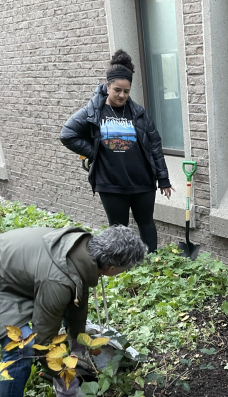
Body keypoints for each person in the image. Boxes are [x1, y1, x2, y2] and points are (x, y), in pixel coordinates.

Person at [0, 225, 146, 397]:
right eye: (123, 270)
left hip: (12, 277)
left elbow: (77, 301)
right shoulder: (58, 280)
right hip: (4, 287)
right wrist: (66, 380)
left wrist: (78, 347)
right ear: (111, 267)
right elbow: (43, 340)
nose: (122, 273)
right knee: (22, 349)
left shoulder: (82, 250)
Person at [60, 49, 174, 253]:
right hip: (111, 184)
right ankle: (122, 271)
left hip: (143, 182)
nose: (122, 95)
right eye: (117, 90)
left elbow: (154, 144)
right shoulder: (93, 111)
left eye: (126, 91)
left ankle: (151, 266)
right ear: (107, 86)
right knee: (118, 230)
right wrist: (95, 152)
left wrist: (163, 178)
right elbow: (68, 134)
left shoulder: (138, 112)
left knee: (146, 223)